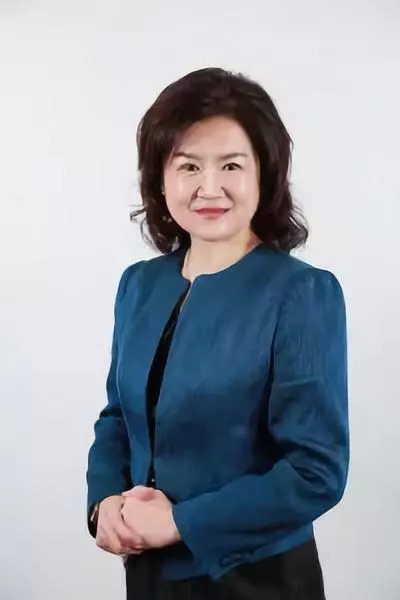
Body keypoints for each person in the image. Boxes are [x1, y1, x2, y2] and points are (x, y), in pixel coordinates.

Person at [86, 67, 349, 600]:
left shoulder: (302, 293)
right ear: (160, 178)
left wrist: (180, 522)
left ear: (264, 174)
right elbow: (118, 417)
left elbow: (315, 471)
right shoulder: (139, 284)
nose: (209, 187)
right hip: (149, 575)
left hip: (256, 581)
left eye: (231, 165)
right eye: (188, 166)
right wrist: (105, 502)